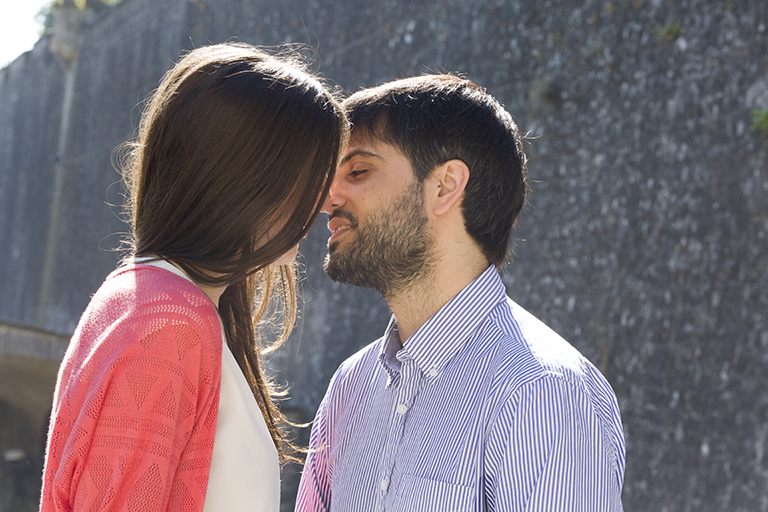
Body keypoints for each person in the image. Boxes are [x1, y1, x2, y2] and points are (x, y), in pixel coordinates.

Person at [39, 43, 348, 512]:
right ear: (246, 178)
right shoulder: (172, 325)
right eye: (312, 176)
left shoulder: (142, 298)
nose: (325, 202)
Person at [295, 74, 625, 511]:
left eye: (357, 171)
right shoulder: (350, 388)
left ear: (446, 185)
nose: (327, 200)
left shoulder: (542, 394)